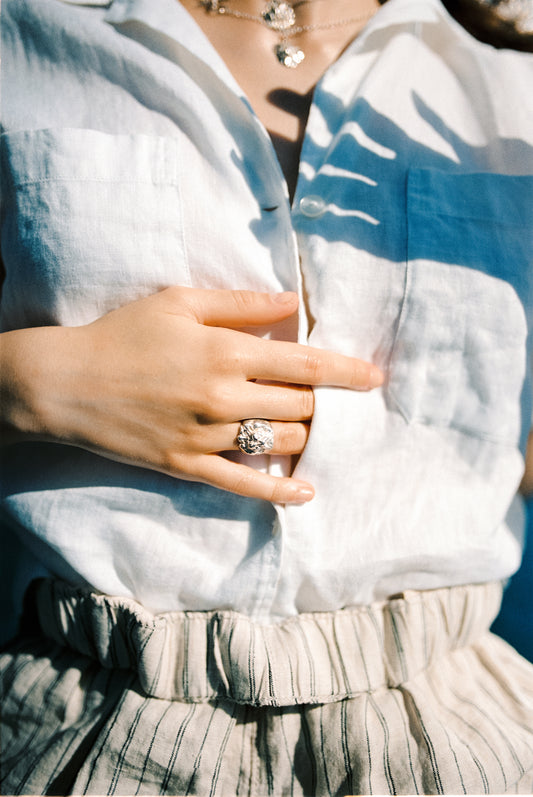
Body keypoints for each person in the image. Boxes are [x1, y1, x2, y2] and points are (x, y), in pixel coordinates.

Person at [1, 0, 533, 793]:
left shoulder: (509, 54)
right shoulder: (28, 28)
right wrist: (33, 386)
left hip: (457, 736)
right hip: (90, 724)